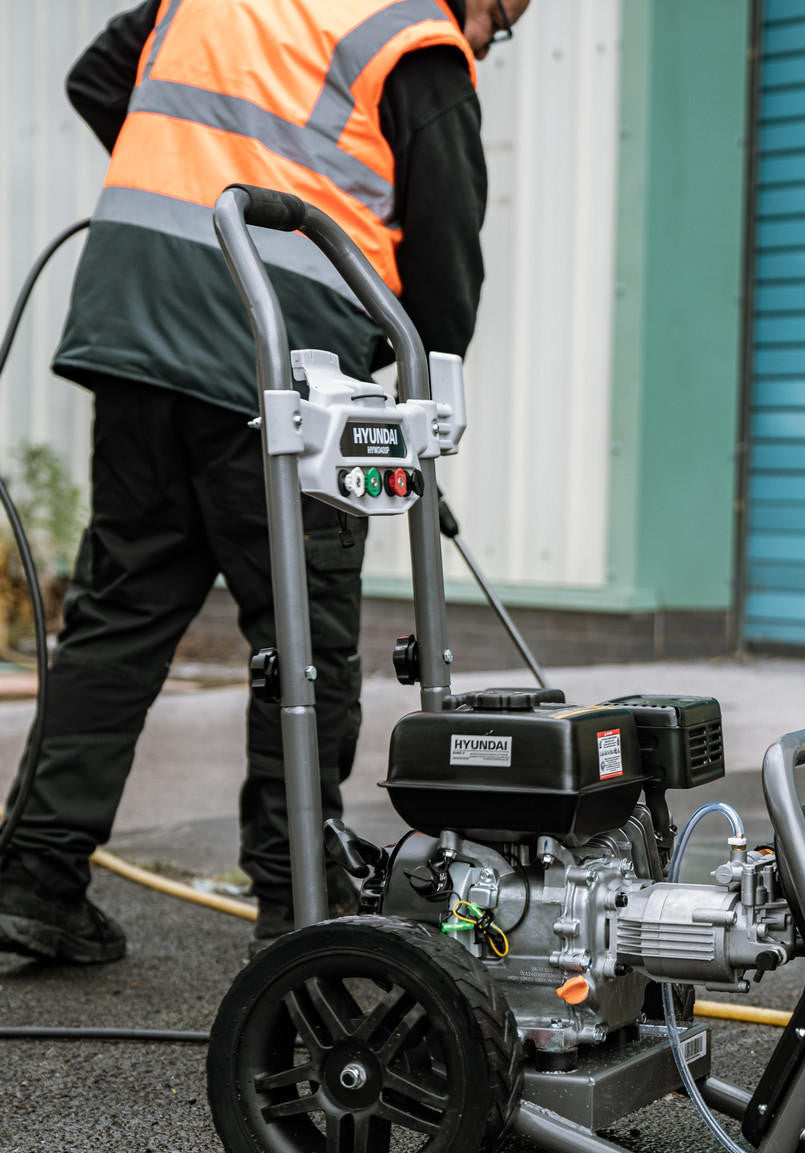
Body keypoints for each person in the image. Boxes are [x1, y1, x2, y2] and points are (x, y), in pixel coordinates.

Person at [0, 0, 530, 964]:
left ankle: (36, 876)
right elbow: (447, 262)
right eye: (508, 13)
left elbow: (95, 79)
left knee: (119, 612)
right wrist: (418, 396)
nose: (495, 35)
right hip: (287, 358)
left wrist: (211, 197)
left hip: (138, 329)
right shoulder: (415, 42)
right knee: (304, 635)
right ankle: (299, 912)